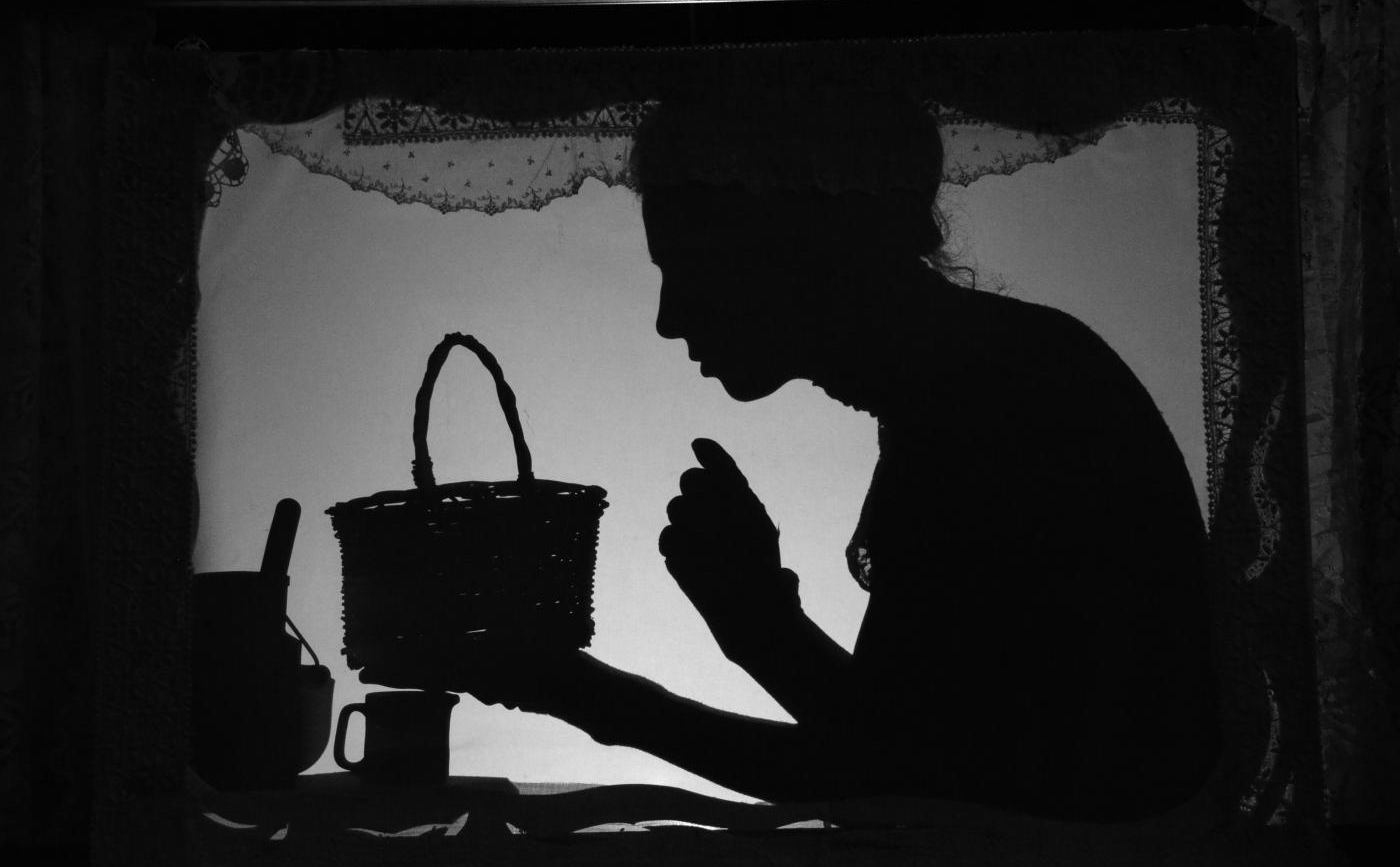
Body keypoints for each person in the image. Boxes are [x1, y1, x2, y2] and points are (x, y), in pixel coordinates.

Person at [377, 92, 1222, 822]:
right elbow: (911, 746)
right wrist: (752, 623)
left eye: (691, 267)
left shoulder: (997, 401)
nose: (670, 320)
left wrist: (605, 686)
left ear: (797, 246)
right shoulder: (993, 374)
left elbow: (892, 780)